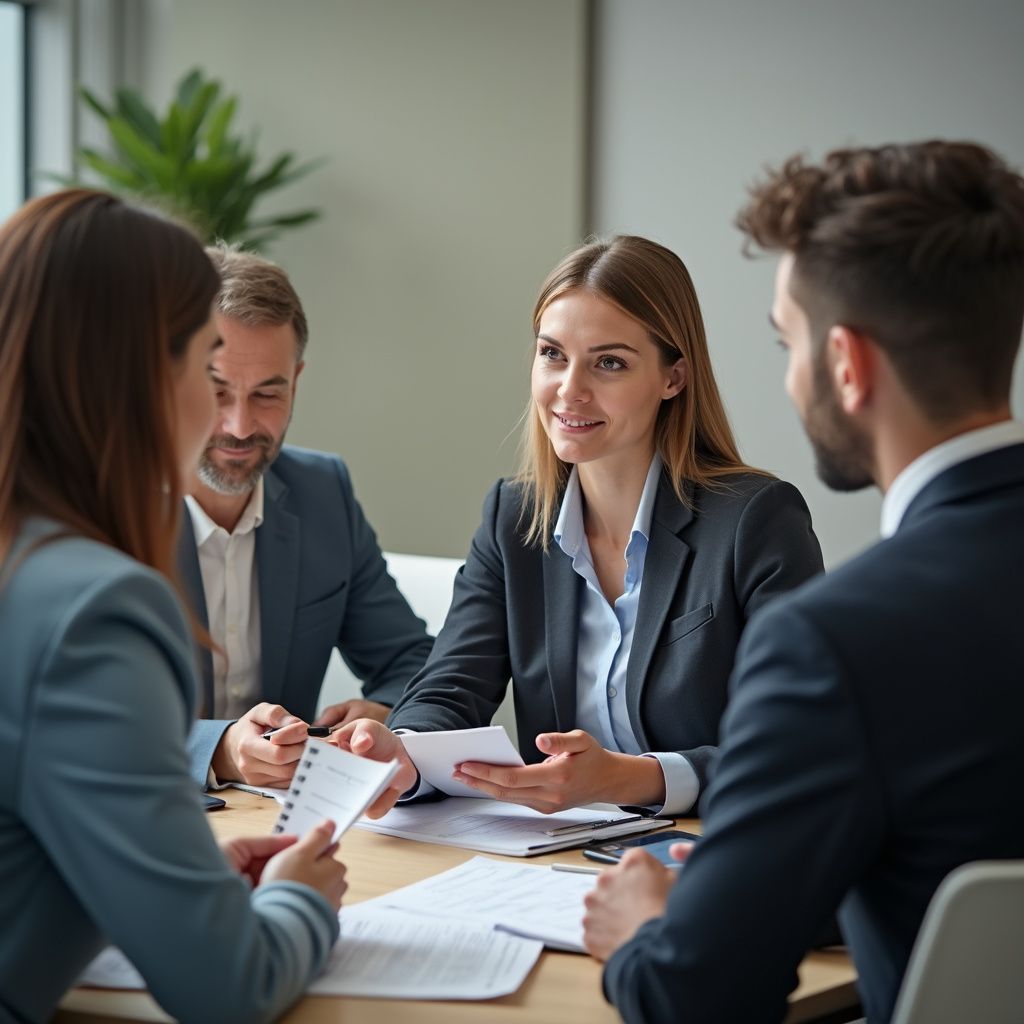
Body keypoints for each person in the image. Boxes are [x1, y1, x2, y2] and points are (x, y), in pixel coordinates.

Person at [583, 141, 1024, 1023]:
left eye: (790, 342)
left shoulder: (837, 643)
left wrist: (644, 930)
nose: (789, 376)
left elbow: (696, 1000)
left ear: (848, 366)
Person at [0, 190, 347, 1023]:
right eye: (204, 367)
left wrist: (177, 878)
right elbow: (230, 989)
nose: (228, 414)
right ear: (140, 377)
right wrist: (301, 899)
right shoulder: (96, 609)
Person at [335, 235, 823, 818]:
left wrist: (631, 779)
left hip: (711, 851)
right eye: (552, 354)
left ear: (673, 377)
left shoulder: (756, 520)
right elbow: (451, 685)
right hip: (560, 859)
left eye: (609, 362)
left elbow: (797, 743)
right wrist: (402, 751)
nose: (570, 390)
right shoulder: (514, 518)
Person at [181, 246, 433, 790]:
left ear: (297, 378)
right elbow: (59, 715)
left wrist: (385, 712)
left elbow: (412, 659)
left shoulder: (323, 493)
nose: (241, 425)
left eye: (268, 393)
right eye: (216, 390)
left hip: (290, 823)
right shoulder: (94, 506)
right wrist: (216, 750)